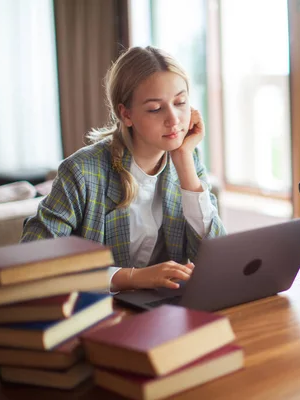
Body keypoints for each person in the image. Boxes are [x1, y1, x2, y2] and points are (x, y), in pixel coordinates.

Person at [21, 46, 226, 293]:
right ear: (126, 114)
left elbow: (217, 258)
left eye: (180, 102)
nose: (173, 119)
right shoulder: (81, 172)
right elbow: (32, 261)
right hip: (95, 314)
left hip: (166, 311)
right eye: (155, 108)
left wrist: (184, 163)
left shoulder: (189, 159)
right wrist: (131, 277)